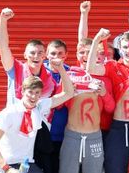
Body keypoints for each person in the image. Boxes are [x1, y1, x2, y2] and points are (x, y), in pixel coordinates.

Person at [87, 29, 129, 173]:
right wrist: (96, 39)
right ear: (120, 48)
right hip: (118, 127)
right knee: (114, 168)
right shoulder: (113, 66)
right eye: (125, 47)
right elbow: (91, 68)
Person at [0, 59, 74, 173]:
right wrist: (7, 169)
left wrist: (61, 69)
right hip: (6, 164)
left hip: (27, 163)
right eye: (30, 92)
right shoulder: (9, 113)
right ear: (23, 91)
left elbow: (68, 93)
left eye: (37, 92)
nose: (33, 96)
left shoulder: (39, 107)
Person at [58, 38, 115, 173]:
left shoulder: (103, 78)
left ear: (95, 55)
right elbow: (58, 106)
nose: (85, 56)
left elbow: (111, 108)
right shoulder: (69, 74)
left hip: (94, 136)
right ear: (76, 55)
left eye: (89, 52)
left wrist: (104, 93)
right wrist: (67, 92)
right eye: (81, 52)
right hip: (72, 135)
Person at [40, 40, 71, 173]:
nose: (57, 57)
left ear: (66, 55)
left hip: (64, 135)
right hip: (42, 134)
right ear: (46, 55)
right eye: (53, 53)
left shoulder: (71, 72)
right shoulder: (39, 71)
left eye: (60, 53)